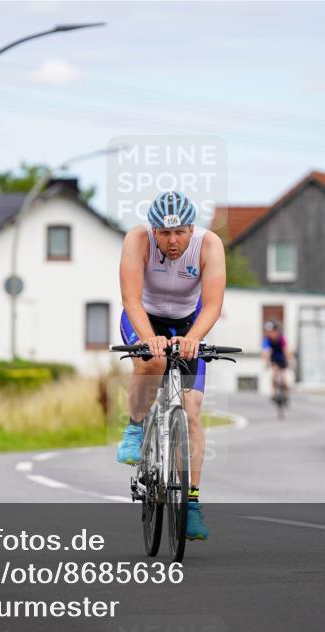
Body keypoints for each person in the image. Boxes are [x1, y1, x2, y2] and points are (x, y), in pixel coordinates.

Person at [117, 191, 227, 541]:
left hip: (187, 322)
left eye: (180, 232)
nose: (173, 240)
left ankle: (191, 502)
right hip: (144, 316)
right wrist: (148, 339)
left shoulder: (209, 245)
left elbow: (212, 303)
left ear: (192, 228)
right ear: (153, 231)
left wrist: (193, 337)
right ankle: (135, 428)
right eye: (164, 233)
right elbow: (131, 298)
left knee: (192, 410)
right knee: (153, 363)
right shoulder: (138, 240)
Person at [261, 321, 291, 402]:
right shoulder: (267, 339)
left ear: (275, 331)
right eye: (267, 332)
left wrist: (289, 360)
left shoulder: (281, 338)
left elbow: (286, 350)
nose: (269, 333)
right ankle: (274, 393)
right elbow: (266, 351)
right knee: (273, 376)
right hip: (274, 358)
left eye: (270, 331)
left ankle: (285, 394)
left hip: (282, 357)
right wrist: (266, 362)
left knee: (284, 380)